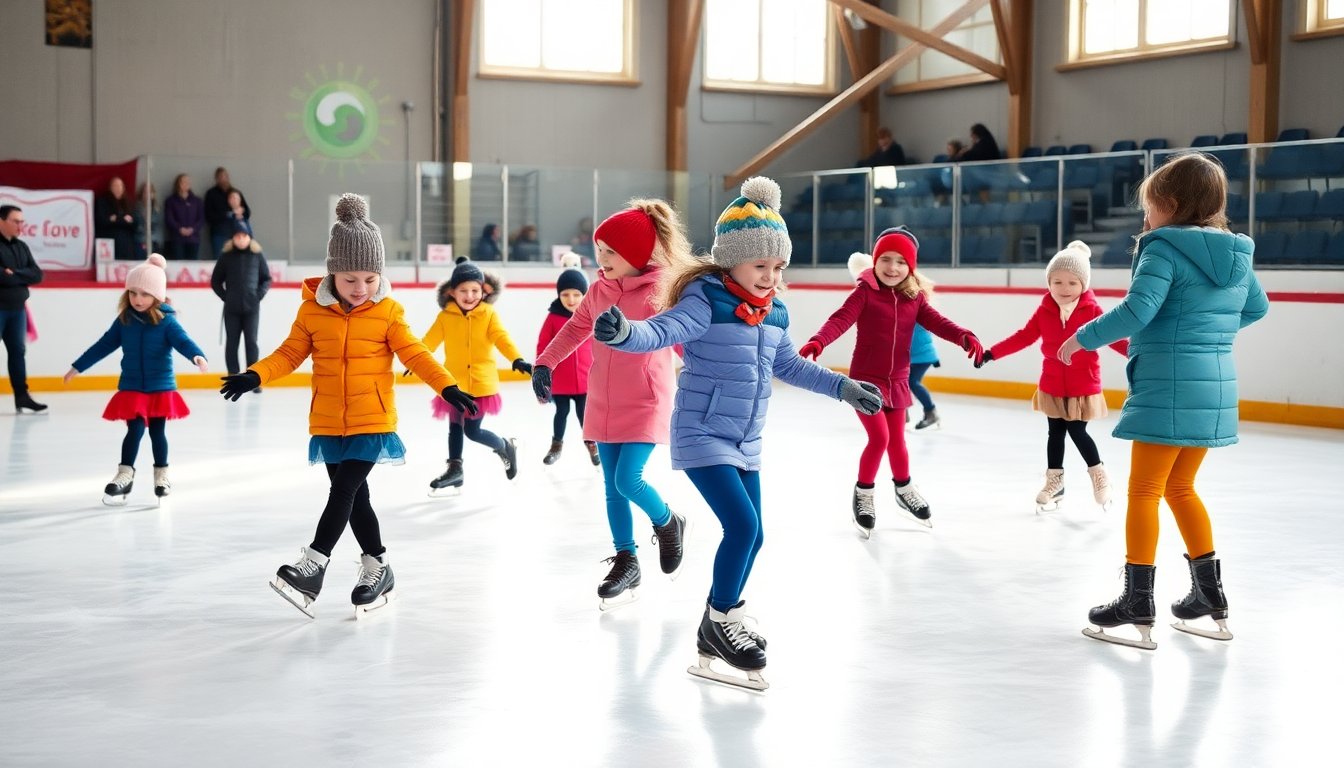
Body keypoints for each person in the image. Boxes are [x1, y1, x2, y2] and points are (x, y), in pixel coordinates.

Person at [592, 177, 884, 690]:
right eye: (760, 266)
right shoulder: (705, 299)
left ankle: (715, 628)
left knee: (757, 533)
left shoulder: (776, 312)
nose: (770, 277)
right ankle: (720, 618)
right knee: (743, 529)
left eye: (778, 268)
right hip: (703, 433)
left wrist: (842, 387)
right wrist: (626, 334)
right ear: (731, 260)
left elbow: (790, 366)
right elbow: (662, 331)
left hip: (747, 440)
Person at [218, 194, 477, 619]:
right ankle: (379, 566)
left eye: (370, 279)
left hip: (372, 419)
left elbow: (415, 354)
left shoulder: (389, 312)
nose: (361, 289)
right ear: (332, 274)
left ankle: (314, 564)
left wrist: (446, 387)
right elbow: (288, 354)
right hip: (327, 420)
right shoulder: (311, 313)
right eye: (350, 279)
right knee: (356, 500)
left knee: (343, 490)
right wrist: (255, 375)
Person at [1058, 152, 1269, 649]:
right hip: (1215, 383)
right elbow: (1256, 308)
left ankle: (1137, 600)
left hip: (1170, 383)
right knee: (1182, 488)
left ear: (1170, 205)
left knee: (1146, 490)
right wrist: (1207, 338)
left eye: (1149, 207)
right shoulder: (1237, 252)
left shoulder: (1163, 248)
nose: (1145, 218)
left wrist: (1081, 338)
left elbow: (1138, 309)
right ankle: (1208, 597)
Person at [532, 200, 687, 610]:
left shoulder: (662, 290)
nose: (601, 259)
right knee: (612, 487)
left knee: (626, 479)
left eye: (611, 252)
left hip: (646, 398)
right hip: (603, 398)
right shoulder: (599, 289)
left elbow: (683, 337)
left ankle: (668, 521)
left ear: (636, 254)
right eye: (599, 250)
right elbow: (577, 328)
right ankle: (626, 558)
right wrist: (545, 362)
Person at [800, 229, 983, 537]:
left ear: (910, 267)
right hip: (865, 382)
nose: (893, 267)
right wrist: (819, 341)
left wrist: (964, 335)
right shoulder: (865, 292)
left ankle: (903, 489)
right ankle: (864, 494)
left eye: (901, 261)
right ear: (875, 261)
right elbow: (840, 319)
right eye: (886, 259)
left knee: (898, 440)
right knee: (880, 439)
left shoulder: (914, 297)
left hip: (897, 379)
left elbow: (938, 322)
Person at [976, 241, 1128, 513]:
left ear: (1084, 284)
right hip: (1053, 383)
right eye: (1057, 282)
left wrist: (1136, 353)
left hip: (1083, 383)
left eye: (1072, 283)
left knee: (1077, 429)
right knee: (1055, 432)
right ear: (1049, 282)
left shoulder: (1092, 311)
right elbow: (1024, 336)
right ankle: (1054, 480)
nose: (1064, 289)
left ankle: (1098, 474)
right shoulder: (1045, 309)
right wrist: (992, 353)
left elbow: (1112, 337)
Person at [64, 254, 208, 504]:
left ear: (157, 296)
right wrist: (78, 366)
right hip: (132, 385)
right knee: (136, 429)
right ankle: (125, 474)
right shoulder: (124, 321)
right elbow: (104, 345)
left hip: (160, 386)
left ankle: (161, 475)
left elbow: (183, 341)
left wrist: (197, 356)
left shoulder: (166, 322)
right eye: (133, 293)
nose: (138, 300)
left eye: (144, 294)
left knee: (157, 432)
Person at [419, 257, 530, 492]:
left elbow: (502, 338)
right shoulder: (445, 317)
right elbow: (429, 341)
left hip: (481, 383)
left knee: (472, 430)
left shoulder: (488, 314)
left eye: (475, 290)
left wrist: (516, 358)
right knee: (455, 427)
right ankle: (455, 470)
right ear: (452, 292)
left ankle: (504, 447)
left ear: (484, 291)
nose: (470, 296)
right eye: (464, 290)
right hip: (454, 383)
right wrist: (416, 357)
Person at [536, 253, 597, 466]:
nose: (571, 300)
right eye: (565, 295)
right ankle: (556, 445)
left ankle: (592, 445)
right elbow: (543, 347)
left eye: (576, 295)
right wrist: (541, 375)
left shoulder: (592, 316)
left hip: (585, 379)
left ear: (584, 294)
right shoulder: (553, 317)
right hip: (560, 381)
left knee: (584, 415)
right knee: (561, 412)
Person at [210, 220, 272, 380]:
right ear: (233, 238)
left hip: (252, 307)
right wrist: (225, 296)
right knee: (232, 343)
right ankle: (232, 376)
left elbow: (266, 278)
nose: (241, 239)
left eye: (244, 236)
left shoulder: (257, 256)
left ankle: (252, 378)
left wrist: (259, 295)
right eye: (238, 236)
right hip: (232, 308)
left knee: (251, 342)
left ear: (249, 237)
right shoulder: (226, 257)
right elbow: (215, 281)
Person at [0, 205, 46, 412]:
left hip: (17, 309)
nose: (21, 225)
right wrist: (19, 276)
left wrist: (14, 273)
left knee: (18, 352)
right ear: (2, 221)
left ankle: (22, 396)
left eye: (22, 221)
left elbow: (37, 274)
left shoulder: (21, 247)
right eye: (16, 221)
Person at [204, 167, 250, 259]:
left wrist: (240, 212)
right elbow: (209, 216)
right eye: (220, 177)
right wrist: (228, 214)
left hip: (237, 233)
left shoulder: (236, 192)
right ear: (216, 179)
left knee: (239, 259)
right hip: (219, 234)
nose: (223, 179)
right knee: (220, 259)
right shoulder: (211, 194)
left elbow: (247, 212)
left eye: (225, 176)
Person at [94, 176, 138, 261]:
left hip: (126, 245)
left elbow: (135, 223)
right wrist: (123, 219)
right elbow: (101, 221)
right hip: (109, 244)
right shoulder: (103, 201)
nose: (118, 188)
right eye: (115, 186)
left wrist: (115, 219)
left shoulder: (128, 203)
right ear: (110, 188)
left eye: (120, 186)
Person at [164, 174, 204, 261]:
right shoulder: (171, 201)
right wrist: (179, 229)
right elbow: (169, 219)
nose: (186, 184)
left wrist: (193, 229)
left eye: (187, 182)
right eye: (183, 182)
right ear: (178, 184)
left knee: (192, 265)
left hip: (193, 239)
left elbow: (201, 219)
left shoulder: (197, 201)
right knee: (178, 264)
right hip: (177, 239)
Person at [908, 323, 941, 429]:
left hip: (922, 356)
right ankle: (901, 413)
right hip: (914, 356)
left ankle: (931, 412)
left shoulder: (915, 314)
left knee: (912, 382)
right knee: (902, 382)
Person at [134, 182, 163, 258]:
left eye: (150, 192)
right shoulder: (137, 207)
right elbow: (138, 225)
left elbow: (157, 224)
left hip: (154, 241)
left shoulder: (157, 208)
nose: (148, 194)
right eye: (145, 192)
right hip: (140, 240)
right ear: (142, 194)